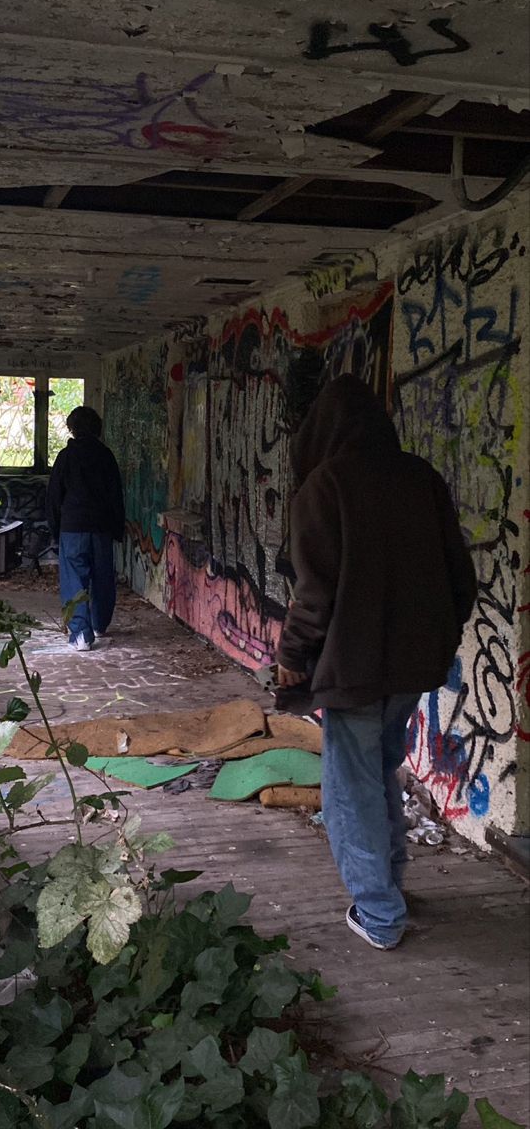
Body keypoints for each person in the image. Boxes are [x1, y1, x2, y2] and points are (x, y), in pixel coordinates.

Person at [276, 374, 477, 950]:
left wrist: (292, 657)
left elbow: (315, 593)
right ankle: (389, 886)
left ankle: (380, 913)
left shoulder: (326, 484)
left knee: (351, 788)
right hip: (414, 668)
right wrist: (434, 638)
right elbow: (460, 580)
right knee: (378, 772)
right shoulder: (421, 478)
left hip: (353, 669)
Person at [46, 406, 125, 653]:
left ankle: (81, 634)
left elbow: (54, 497)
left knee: (74, 579)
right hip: (101, 527)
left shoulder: (65, 457)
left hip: (72, 527)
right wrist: (117, 528)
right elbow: (116, 495)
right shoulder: (106, 456)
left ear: (73, 428)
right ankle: (100, 624)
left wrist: (55, 528)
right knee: (102, 576)